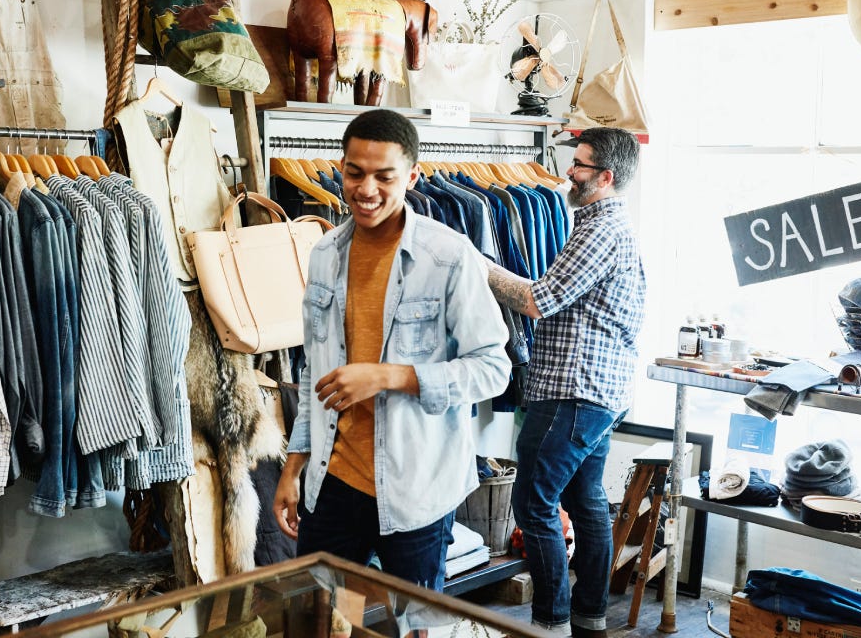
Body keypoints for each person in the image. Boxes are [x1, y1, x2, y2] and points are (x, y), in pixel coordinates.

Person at [273, 109, 511, 590]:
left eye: (385, 176)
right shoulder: (324, 254)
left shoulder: (448, 256)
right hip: (331, 484)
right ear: (341, 168)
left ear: (412, 176)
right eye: (355, 173)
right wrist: (293, 466)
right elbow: (311, 373)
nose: (366, 190)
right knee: (325, 619)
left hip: (416, 490)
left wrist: (389, 375)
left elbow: (494, 368)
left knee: (414, 625)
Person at [484, 127, 646, 638]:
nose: (567, 172)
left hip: (574, 392)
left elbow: (538, 300)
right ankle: (588, 617)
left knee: (533, 502)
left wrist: (477, 267)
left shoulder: (601, 230)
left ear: (606, 176)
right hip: (597, 391)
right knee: (586, 500)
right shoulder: (599, 224)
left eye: (579, 164)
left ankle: (549, 623)